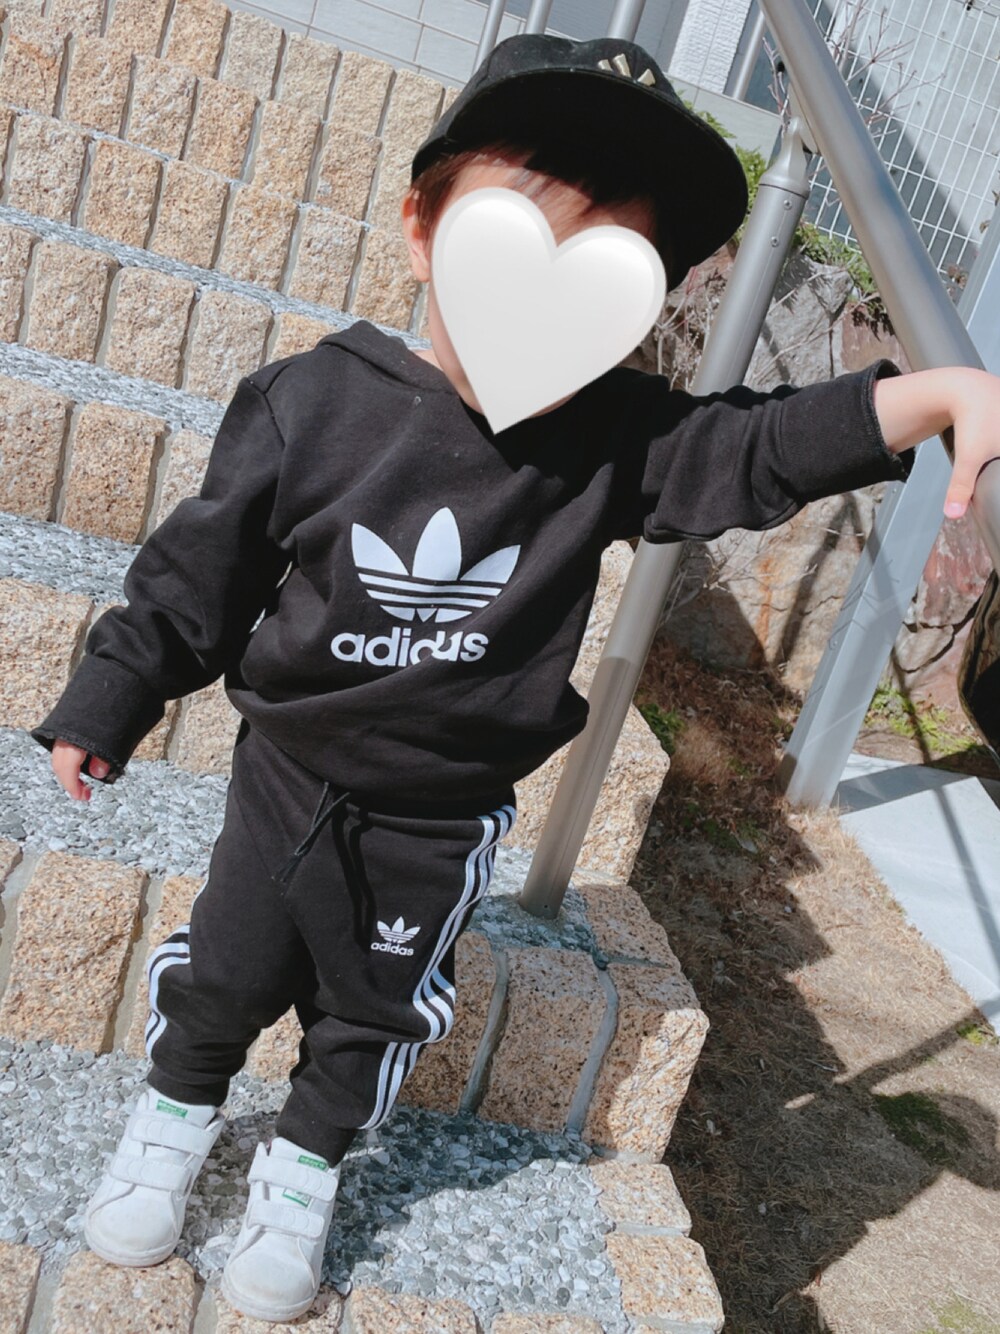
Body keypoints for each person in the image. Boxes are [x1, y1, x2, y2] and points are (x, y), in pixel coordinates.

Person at [29, 32, 1000, 1325]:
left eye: (611, 265)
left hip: (442, 810)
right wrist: (111, 695)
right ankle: (171, 1118)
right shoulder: (312, 401)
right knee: (227, 966)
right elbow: (195, 575)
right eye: (521, 231)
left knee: (374, 1009)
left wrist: (931, 394)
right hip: (289, 770)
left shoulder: (617, 442)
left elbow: (759, 447)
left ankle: (304, 1169)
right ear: (424, 229)